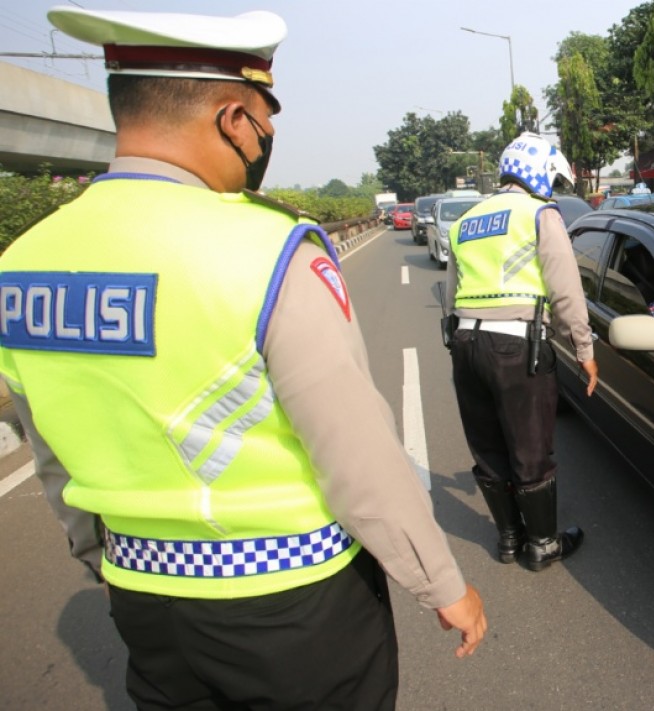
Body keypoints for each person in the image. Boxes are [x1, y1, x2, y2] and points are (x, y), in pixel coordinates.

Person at [0, 7, 485, 709]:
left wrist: (101, 558)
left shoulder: (24, 262)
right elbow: (357, 455)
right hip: (295, 604)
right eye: (264, 123)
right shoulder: (268, 252)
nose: (264, 141)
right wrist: (442, 584)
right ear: (233, 119)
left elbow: (48, 446)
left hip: (144, 599)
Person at [444, 132, 598, 572]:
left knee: (487, 446)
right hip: (516, 345)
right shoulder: (538, 214)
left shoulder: (466, 220)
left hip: (466, 344)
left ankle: (509, 538)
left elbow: (451, 292)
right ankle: (543, 545)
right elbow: (565, 290)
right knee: (531, 450)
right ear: (540, 172)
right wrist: (583, 348)